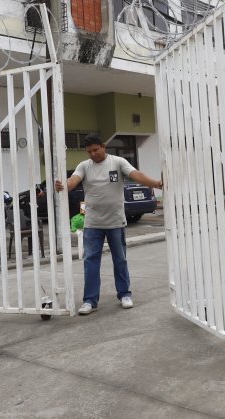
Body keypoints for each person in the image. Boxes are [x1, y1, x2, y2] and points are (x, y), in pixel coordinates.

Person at [55, 133, 163, 315]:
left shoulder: (118, 162)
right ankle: (90, 300)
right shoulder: (84, 166)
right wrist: (65, 185)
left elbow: (136, 175)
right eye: (89, 151)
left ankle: (124, 294)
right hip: (93, 223)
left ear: (103, 146)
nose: (92, 154)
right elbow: (74, 179)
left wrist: (157, 184)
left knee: (120, 260)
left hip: (115, 221)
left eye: (96, 150)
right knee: (91, 262)